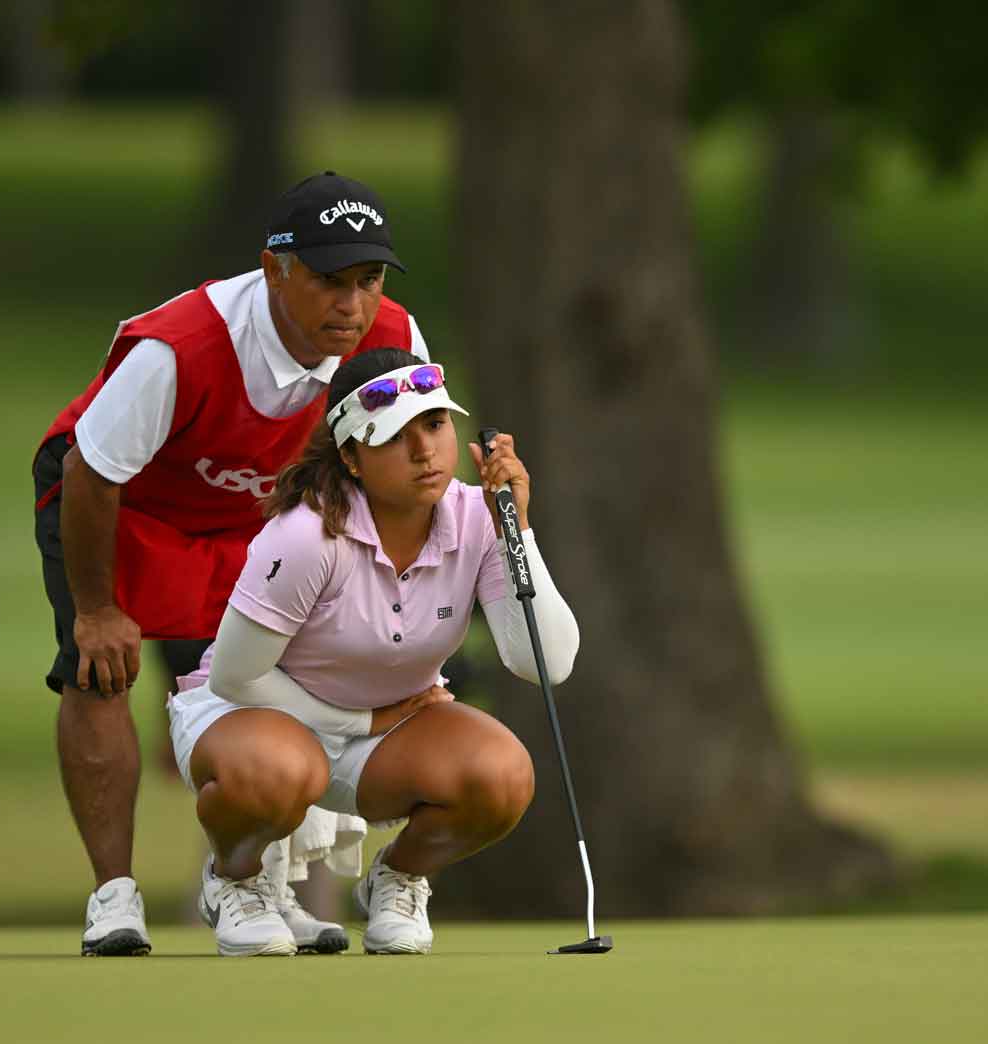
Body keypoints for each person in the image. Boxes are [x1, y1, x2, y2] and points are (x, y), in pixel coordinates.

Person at [32, 172, 431, 956]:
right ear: (275, 268)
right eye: (328, 280)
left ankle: (253, 887)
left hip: (255, 517)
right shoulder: (183, 346)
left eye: (368, 279)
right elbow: (92, 471)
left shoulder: (392, 340)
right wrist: (97, 610)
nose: (351, 304)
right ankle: (114, 900)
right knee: (98, 669)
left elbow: (393, 467)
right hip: (121, 501)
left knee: (295, 676)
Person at [167, 350, 581, 955]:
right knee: (282, 771)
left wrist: (515, 529)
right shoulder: (309, 534)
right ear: (352, 459)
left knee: (501, 776)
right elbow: (234, 675)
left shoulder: (478, 518)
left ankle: (398, 879)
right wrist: (362, 720)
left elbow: (545, 660)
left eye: (435, 425)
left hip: (384, 734)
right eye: (394, 435)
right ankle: (236, 881)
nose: (424, 451)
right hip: (250, 715)